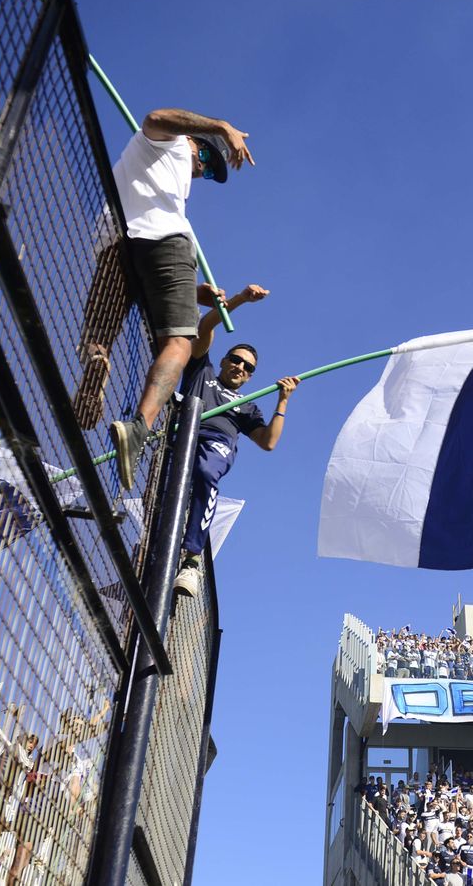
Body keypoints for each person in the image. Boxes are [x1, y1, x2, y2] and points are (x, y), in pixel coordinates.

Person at [75, 107, 254, 490]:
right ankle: (139, 428)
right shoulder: (167, 142)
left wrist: (195, 293)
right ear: (191, 140)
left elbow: (150, 282)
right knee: (179, 343)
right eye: (205, 156)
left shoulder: (161, 178)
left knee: (97, 337)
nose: (203, 168)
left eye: (208, 171)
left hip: (117, 245)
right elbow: (157, 117)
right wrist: (222, 125)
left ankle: (95, 370)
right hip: (166, 242)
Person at [173, 285, 298, 596]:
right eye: (236, 360)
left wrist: (283, 401)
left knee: (205, 472)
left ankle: (191, 561)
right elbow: (206, 326)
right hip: (181, 432)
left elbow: (268, 442)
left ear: (251, 376)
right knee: (166, 495)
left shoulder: (248, 405)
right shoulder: (203, 372)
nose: (240, 367)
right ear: (225, 358)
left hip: (216, 442)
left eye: (248, 367)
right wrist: (241, 299)